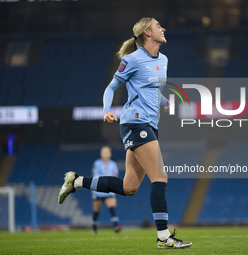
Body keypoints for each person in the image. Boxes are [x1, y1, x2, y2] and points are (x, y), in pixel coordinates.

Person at [58, 17, 192, 249]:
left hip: (150, 125)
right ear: (147, 32)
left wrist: (164, 102)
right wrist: (107, 109)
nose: (163, 28)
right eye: (159, 26)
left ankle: (76, 181)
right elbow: (112, 86)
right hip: (135, 123)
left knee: (129, 187)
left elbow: (151, 89)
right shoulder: (132, 60)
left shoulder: (163, 59)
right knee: (160, 177)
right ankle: (163, 238)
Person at [91, 146, 121, 234]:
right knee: (96, 211)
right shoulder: (97, 163)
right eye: (104, 152)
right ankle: (94, 228)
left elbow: (115, 176)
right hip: (98, 191)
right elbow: (96, 176)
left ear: (110, 154)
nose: (105, 154)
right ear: (101, 154)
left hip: (109, 190)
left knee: (112, 208)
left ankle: (115, 227)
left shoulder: (113, 164)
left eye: (107, 152)